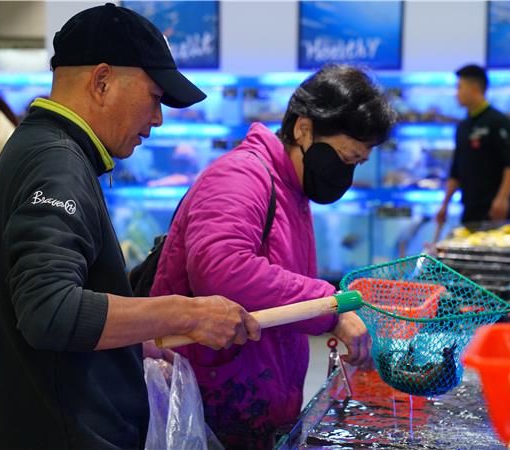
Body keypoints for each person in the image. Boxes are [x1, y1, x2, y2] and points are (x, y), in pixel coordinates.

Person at [0, 4, 260, 450]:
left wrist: (135, 338)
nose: (157, 120)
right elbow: (50, 312)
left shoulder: (36, 146)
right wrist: (189, 313)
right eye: (154, 97)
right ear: (101, 81)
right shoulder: (57, 163)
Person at [151, 64, 396, 449]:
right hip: (208, 415)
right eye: (345, 158)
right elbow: (222, 269)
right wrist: (330, 308)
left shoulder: (292, 190)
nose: (346, 175)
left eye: (358, 164)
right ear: (304, 129)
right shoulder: (241, 177)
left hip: (253, 409)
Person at [436, 65, 510, 227]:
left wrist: (502, 198)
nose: (456, 93)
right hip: (469, 208)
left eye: (460, 87)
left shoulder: (499, 122)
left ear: (475, 88)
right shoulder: (463, 126)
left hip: (494, 209)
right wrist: (445, 204)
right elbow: (456, 169)